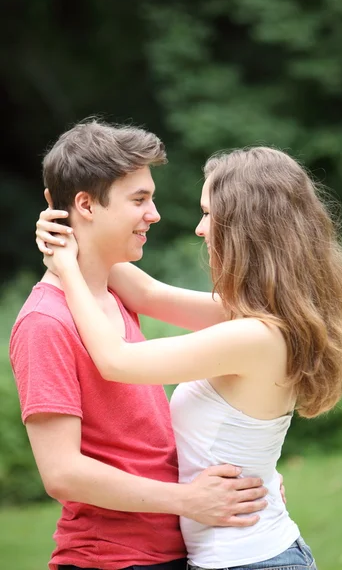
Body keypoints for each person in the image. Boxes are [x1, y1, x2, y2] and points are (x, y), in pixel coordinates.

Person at [36, 145, 342, 570]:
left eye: (209, 214)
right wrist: (74, 229)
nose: (200, 228)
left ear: (246, 228)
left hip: (251, 560)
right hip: (242, 554)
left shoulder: (253, 335)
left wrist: (66, 263)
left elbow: (116, 360)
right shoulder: (274, 316)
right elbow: (149, 294)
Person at [10, 120, 270, 570]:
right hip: (111, 559)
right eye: (139, 200)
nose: (155, 214)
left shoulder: (114, 288)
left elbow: (238, 312)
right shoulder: (44, 322)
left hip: (169, 549)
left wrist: (250, 481)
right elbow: (62, 473)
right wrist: (189, 499)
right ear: (86, 205)